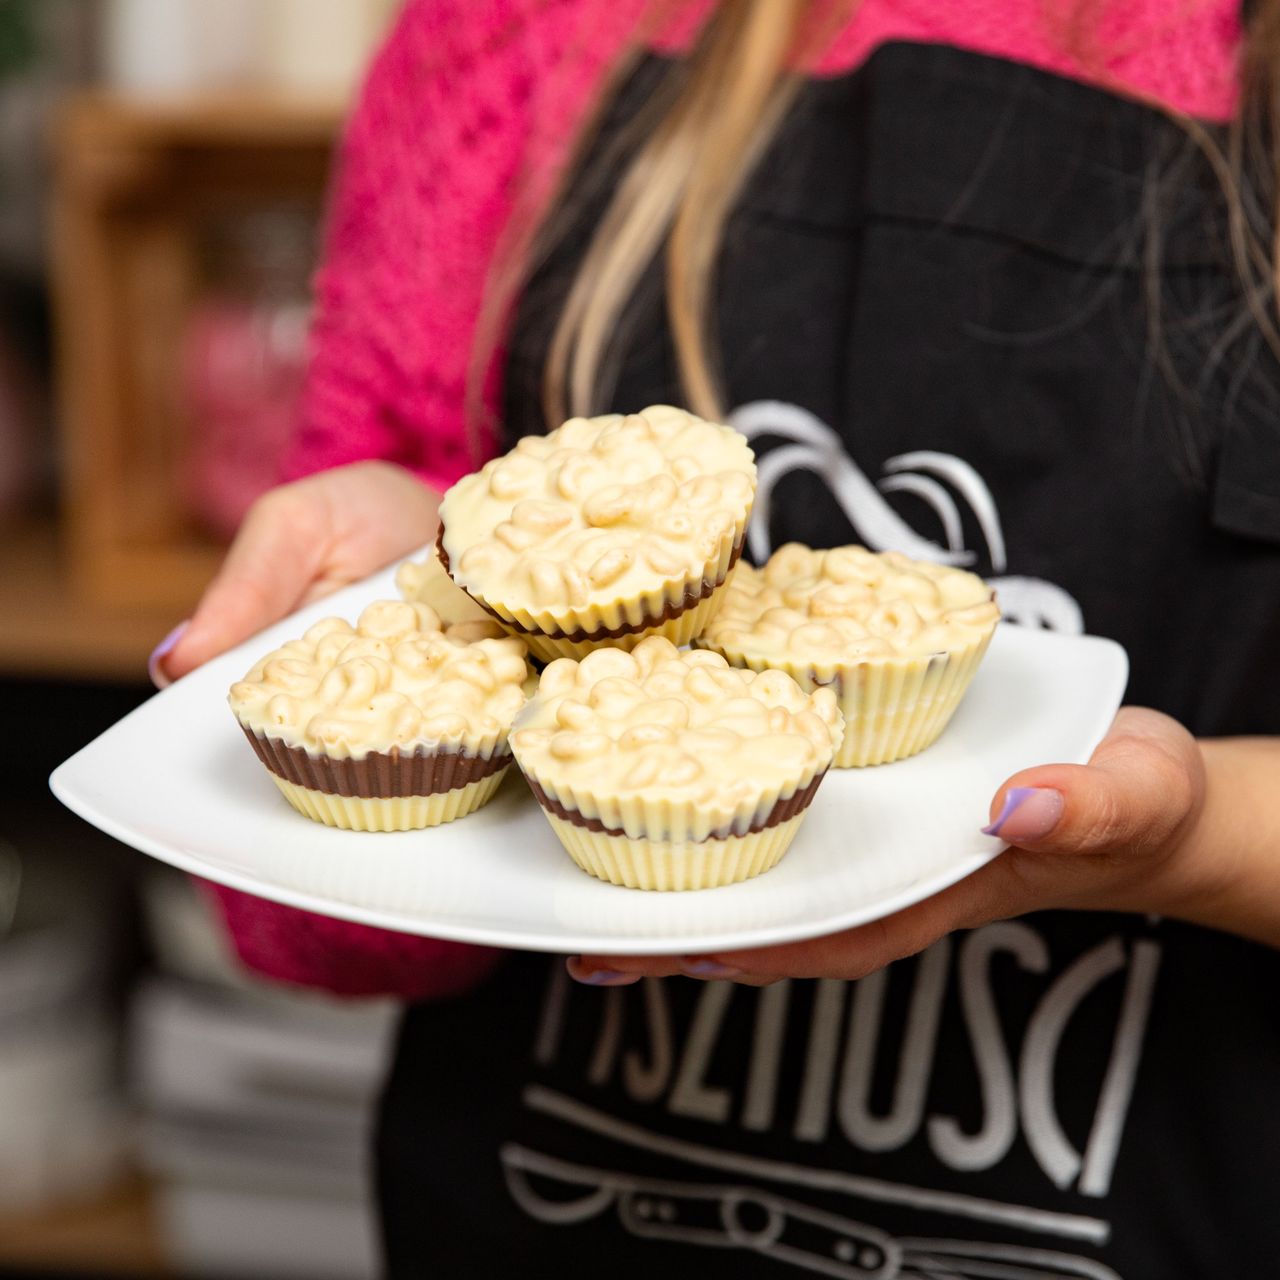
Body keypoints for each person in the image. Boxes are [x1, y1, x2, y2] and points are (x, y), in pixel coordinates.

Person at [154, 1, 1280, 1275]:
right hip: (551, 1196)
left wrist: (1202, 837)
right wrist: (410, 618)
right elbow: (306, 930)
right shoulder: (512, 27)